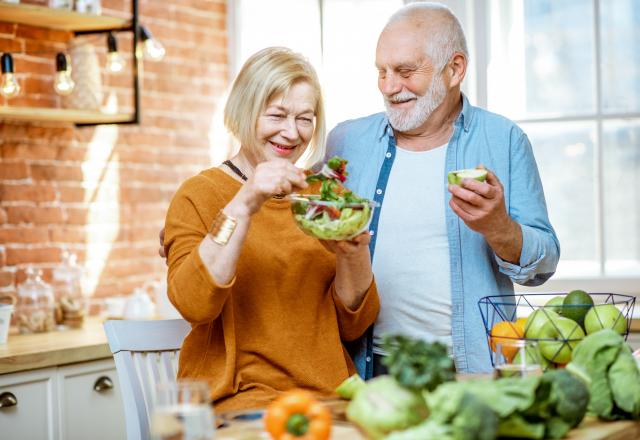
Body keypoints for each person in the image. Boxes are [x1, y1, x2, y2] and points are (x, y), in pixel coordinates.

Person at [327, 2, 559, 376]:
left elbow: (543, 265)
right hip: (366, 369)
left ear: (455, 69)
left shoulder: (504, 139)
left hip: (467, 370)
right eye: (382, 72)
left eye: (405, 71)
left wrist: (499, 227)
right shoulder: (346, 142)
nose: (389, 87)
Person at [163, 47, 379, 411]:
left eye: (305, 119)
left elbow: (352, 326)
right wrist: (245, 203)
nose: (292, 133)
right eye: (277, 115)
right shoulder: (199, 194)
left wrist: (353, 253)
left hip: (330, 398)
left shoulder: (325, 197)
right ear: (244, 111)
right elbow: (194, 304)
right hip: (240, 400)